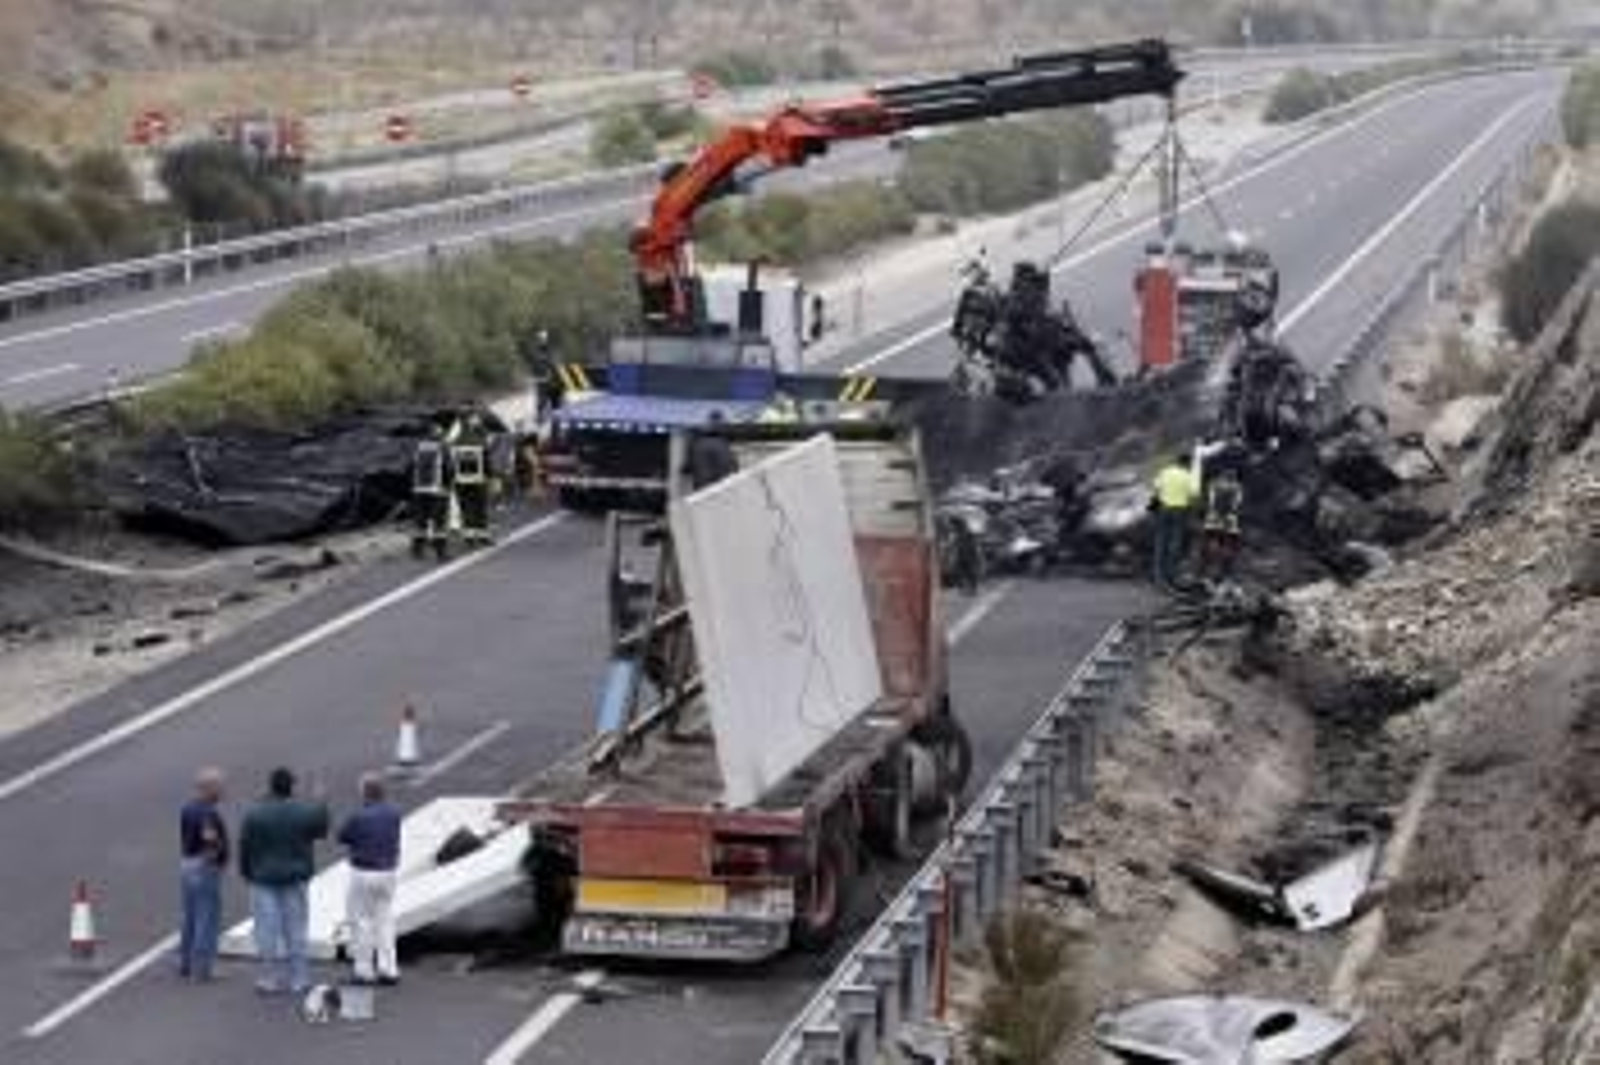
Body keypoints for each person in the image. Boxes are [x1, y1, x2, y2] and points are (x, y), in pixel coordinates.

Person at [239, 767, 329, 996]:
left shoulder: (255, 813)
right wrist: (321, 802)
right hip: (295, 876)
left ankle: (269, 979)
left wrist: (247, 872)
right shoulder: (302, 811)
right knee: (296, 929)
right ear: (292, 787)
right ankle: (299, 978)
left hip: (263, 877)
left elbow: (245, 846)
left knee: (266, 930)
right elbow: (321, 829)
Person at [337, 773, 402, 986]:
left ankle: (364, 970)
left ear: (365, 793)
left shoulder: (359, 816)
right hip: (388, 872)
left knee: (362, 922)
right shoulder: (394, 813)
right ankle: (389, 968)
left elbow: (342, 836)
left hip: (363, 872)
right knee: (385, 920)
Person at [178, 767, 229, 981]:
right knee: (206, 916)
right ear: (208, 788)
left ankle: (186, 962)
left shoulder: (188, 808)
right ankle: (203, 967)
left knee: (190, 915)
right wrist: (215, 858)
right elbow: (210, 840)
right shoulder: (207, 813)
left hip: (187, 862)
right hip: (203, 866)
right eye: (219, 786)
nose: (222, 791)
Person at [1150, 454, 1200, 590]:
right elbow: (1194, 495)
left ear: (1176, 462)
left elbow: (1155, 487)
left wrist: (1156, 503)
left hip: (1163, 509)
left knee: (1160, 542)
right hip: (1180, 511)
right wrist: (1194, 513)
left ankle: (1157, 575)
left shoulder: (1165, 471)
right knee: (1175, 542)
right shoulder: (1189, 476)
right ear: (1187, 463)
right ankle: (1170, 575)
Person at [411, 424, 455, 561]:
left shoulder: (419, 446)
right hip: (438, 489)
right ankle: (441, 552)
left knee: (420, 521)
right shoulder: (443, 446)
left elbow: (412, 466)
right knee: (439, 522)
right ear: (438, 434)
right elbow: (449, 468)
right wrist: (448, 486)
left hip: (419, 489)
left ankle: (417, 550)